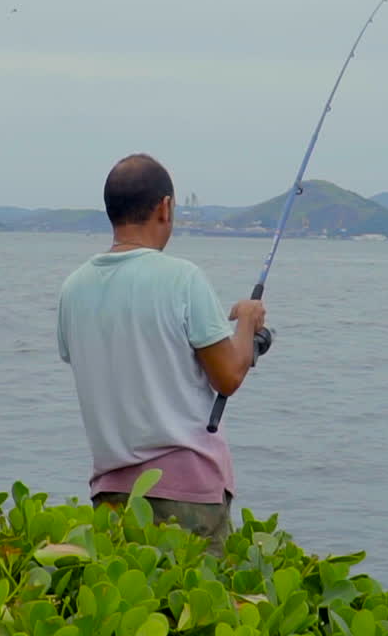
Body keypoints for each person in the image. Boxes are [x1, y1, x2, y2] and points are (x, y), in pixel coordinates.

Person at [56, 153, 267, 553]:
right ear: (165, 207)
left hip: (112, 494)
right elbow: (228, 376)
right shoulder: (182, 278)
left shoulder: (73, 288)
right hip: (188, 494)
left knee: (131, 611)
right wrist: (246, 321)